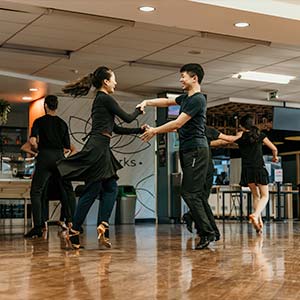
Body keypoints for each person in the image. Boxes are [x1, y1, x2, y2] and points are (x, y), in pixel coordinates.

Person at [57, 66, 145, 249]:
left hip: (100, 147)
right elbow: (128, 118)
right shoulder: (105, 98)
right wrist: (140, 109)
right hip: (98, 149)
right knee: (93, 190)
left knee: (109, 186)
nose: (116, 82)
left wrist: (140, 130)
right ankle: (79, 229)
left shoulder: (100, 100)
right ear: (106, 82)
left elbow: (117, 129)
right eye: (113, 79)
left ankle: (99, 225)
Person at [138, 63, 216, 250]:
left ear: (194, 78)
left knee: (190, 193)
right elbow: (166, 102)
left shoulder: (197, 100)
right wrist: (147, 103)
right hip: (189, 150)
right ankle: (210, 230)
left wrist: (155, 131)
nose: (181, 79)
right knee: (193, 193)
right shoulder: (186, 98)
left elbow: (177, 124)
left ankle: (207, 232)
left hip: (197, 150)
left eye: (183, 76)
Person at [24, 95, 74, 238]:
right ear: (56, 106)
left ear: (45, 106)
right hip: (59, 157)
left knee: (36, 191)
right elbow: (66, 147)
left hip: (45, 157)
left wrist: (39, 148)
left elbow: (33, 141)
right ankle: (71, 222)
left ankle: (39, 227)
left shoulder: (39, 121)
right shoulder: (63, 123)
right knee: (66, 190)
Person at [182, 126, 242, 239]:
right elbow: (228, 139)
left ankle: (195, 220)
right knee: (202, 199)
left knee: (201, 199)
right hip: (206, 168)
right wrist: (239, 136)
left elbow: (216, 142)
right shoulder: (204, 129)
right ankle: (210, 230)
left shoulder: (191, 130)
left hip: (202, 166)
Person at [236, 114, 278, 234]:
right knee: (265, 196)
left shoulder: (240, 136)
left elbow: (227, 140)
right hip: (259, 168)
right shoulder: (259, 135)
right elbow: (274, 148)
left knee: (256, 196)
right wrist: (274, 158)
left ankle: (259, 224)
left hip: (247, 170)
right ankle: (255, 215)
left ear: (241, 126)